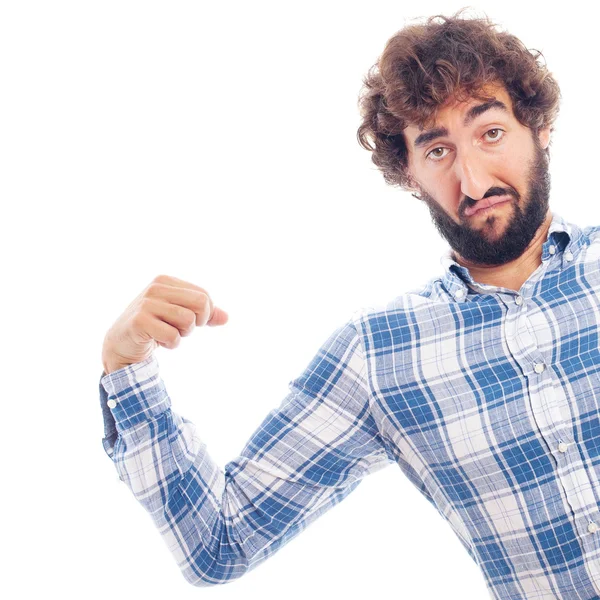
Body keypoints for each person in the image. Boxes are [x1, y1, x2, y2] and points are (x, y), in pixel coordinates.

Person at [98, 9, 600, 599]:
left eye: (490, 132)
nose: (472, 179)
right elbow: (219, 544)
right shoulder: (379, 356)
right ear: (408, 173)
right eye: (437, 150)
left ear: (538, 129)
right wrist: (125, 367)